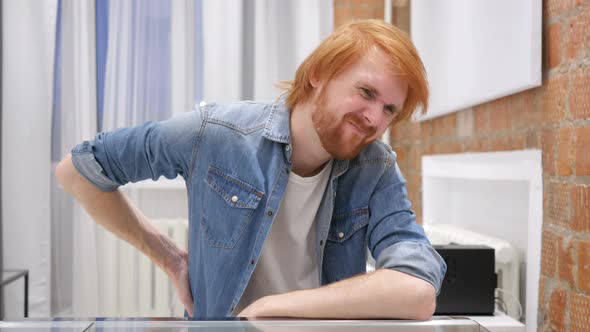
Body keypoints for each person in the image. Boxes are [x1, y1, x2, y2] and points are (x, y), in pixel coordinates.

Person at [56, 19, 446, 319]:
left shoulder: (376, 168)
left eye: (390, 109)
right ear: (318, 75)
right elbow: (77, 171)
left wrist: (280, 307)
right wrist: (171, 259)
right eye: (366, 93)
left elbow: (418, 289)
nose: (374, 119)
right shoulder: (217, 133)